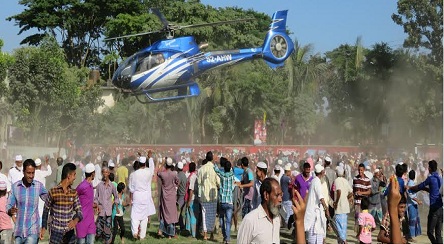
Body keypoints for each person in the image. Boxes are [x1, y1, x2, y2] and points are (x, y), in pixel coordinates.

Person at [7, 159, 47, 243]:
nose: (31, 176)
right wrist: (10, 210)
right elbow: (9, 205)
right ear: (23, 172)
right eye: (29, 173)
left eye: (33, 173)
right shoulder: (15, 187)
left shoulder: (38, 186)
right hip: (19, 232)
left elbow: (49, 199)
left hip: (32, 232)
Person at [41, 162, 83, 244]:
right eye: (74, 175)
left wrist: (75, 221)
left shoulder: (73, 193)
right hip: (56, 233)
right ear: (69, 176)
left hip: (69, 234)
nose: (75, 177)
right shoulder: (53, 191)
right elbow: (46, 210)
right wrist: (44, 227)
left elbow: (80, 212)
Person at [407, 159, 443, 244]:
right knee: (438, 234)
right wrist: (425, 189)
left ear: (429, 168)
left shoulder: (430, 178)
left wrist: (410, 187)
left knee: (430, 232)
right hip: (441, 209)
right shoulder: (440, 178)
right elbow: (434, 190)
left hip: (434, 209)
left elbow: (419, 186)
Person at [237, 178, 282, 244]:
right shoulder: (250, 220)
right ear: (266, 195)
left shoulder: (277, 219)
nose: (280, 199)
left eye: (281, 195)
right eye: (277, 195)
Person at [128, 156, 155, 240]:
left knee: (135, 215)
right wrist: (150, 158)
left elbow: (131, 188)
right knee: (144, 217)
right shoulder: (148, 172)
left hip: (137, 195)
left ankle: (135, 232)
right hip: (145, 196)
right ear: (145, 164)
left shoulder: (133, 174)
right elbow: (152, 168)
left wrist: (131, 198)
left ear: (139, 163)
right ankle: (142, 235)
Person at [197, 151, 220, 240]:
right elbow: (218, 182)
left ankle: (205, 234)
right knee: (212, 215)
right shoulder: (215, 168)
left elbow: (199, 182)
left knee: (204, 215)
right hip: (213, 195)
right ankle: (211, 235)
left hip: (204, 195)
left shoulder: (201, 169)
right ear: (212, 158)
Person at [304, 164, 329, 244]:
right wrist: (326, 209)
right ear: (321, 172)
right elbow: (321, 197)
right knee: (313, 237)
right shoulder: (317, 181)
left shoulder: (314, 180)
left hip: (315, 213)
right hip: (314, 214)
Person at [213, 159, 236, 244]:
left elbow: (216, 170)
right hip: (229, 201)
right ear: (230, 168)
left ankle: (224, 235)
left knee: (222, 219)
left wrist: (215, 164)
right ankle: (227, 239)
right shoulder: (232, 175)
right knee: (228, 221)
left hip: (222, 201)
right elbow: (234, 186)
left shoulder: (222, 175)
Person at [157, 157, 179, 239]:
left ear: (166, 165)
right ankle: (170, 234)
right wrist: (175, 186)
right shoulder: (174, 173)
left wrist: (162, 163)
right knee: (172, 214)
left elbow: (158, 172)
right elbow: (178, 181)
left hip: (164, 195)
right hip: (172, 196)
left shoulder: (163, 174)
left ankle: (161, 230)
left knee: (164, 213)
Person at [76, 163, 96, 244]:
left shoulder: (90, 185)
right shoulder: (82, 186)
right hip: (82, 220)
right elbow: (74, 195)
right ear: (92, 174)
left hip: (90, 220)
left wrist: (94, 205)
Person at [333, 166, 353, 244]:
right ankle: (342, 241)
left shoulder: (337, 180)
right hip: (345, 208)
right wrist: (346, 198)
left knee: (338, 227)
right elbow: (351, 192)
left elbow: (339, 191)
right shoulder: (345, 180)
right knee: (343, 227)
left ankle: (343, 241)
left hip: (339, 208)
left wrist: (336, 202)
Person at [353, 163, 371, 233]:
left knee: (365, 220)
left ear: (364, 170)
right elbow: (353, 189)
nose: (360, 172)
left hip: (364, 204)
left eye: (361, 170)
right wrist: (354, 195)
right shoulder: (355, 178)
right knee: (358, 220)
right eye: (359, 170)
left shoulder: (367, 180)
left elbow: (369, 192)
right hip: (357, 203)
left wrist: (362, 193)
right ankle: (359, 235)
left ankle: (365, 235)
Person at [406, 170, 422, 242]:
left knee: (414, 220)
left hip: (413, 204)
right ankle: (409, 237)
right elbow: (410, 195)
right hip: (411, 205)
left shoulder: (411, 182)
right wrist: (417, 200)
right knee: (412, 221)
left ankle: (411, 236)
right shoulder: (410, 183)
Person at [184, 162, 199, 238]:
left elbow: (191, 190)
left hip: (192, 199)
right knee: (190, 215)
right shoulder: (193, 176)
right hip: (192, 198)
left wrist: (189, 201)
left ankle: (193, 234)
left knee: (192, 215)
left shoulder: (192, 177)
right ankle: (190, 231)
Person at [176, 160, 187, 232]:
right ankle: (182, 226)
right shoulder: (183, 174)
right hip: (183, 195)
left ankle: (173, 227)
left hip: (181, 196)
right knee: (180, 213)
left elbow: (177, 185)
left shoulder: (179, 175)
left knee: (177, 212)